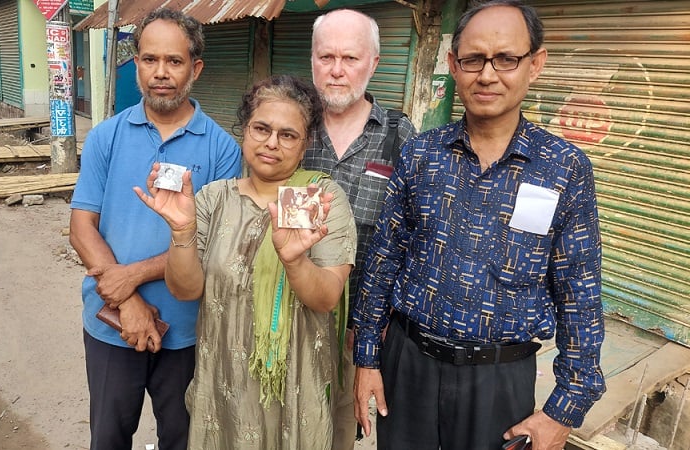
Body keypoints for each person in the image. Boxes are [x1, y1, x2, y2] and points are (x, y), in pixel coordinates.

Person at [351, 2, 606, 450]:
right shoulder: (421, 154)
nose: (487, 75)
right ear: (453, 65)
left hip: (499, 382)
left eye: (506, 59)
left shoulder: (564, 168)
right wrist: (367, 359)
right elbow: (383, 259)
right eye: (473, 59)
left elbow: (579, 293)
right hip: (407, 366)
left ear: (535, 64)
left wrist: (564, 409)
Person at [134, 74, 357, 449]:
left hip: (297, 388)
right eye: (261, 129)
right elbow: (186, 289)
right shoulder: (213, 199)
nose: (272, 143)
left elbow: (326, 298)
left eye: (288, 135)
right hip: (224, 385)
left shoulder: (317, 197)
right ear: (245, 131)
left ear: (305, 146)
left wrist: (294, 261)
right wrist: (183, 231)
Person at [69, 8, 241, 450]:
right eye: (149, 60)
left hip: (187, 331)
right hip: (111, 326)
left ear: (195, 68)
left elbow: (213, 243)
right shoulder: (106, 136)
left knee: (184, 439)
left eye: (174, 61)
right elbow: (82, 227)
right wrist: (127, 300)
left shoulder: (223, 148)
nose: (160, 73)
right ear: (137, 63)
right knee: (108, 437)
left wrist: (131, 276)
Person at [303, 9, 417, 449]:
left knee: (335, 434)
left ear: (373, 62)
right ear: (312, 60)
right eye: (325, 56)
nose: (336, 70)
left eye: (349, 58)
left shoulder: (400, 136)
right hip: (287, 319)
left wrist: (379, 324)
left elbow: (413, 239)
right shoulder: (290, 129)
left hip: (360, 331)